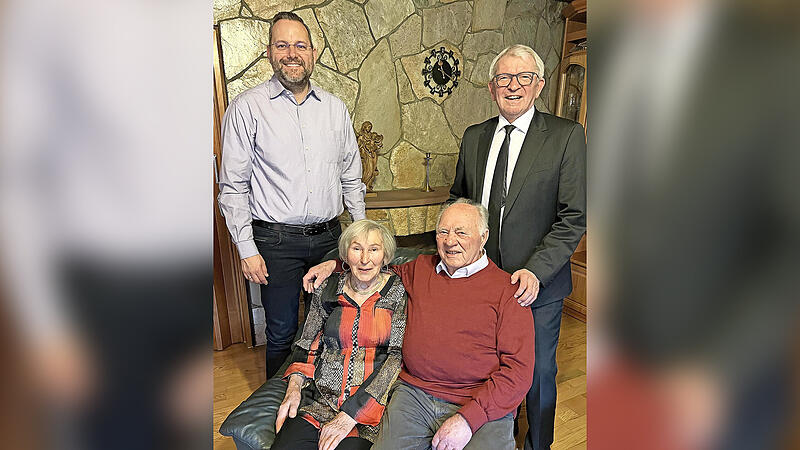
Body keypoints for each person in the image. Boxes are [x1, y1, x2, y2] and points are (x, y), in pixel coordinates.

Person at [304, 200, 535, 450]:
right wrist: (335, 264)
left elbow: (519, 372)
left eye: (461, 233)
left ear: (483, 237)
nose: (450, 241)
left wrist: (468, 420)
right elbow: (372, 267)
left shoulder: (510, 290)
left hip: (480, 401)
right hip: (414, 394)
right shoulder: (420, 268)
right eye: (443, 232)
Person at [449, 44, 586, 450]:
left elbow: (573, 216)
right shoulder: (474, 137)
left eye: (524, 77)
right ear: (492, 87)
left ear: (539, 85)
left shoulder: (565, 136)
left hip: (538, 285)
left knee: (538, 375)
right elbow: (459, 201)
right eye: (504, 78)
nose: (514, 86)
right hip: (482, 281)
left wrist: (536, 270)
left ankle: (538, 445)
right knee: (484, 368)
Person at [217, 11, 366, 378]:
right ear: (269, 52)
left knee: (333, 327)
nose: (292, 54)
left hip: (331, 239)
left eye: (300, 45)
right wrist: (247, 249)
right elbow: (233, 185)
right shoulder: (247, 108)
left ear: (313, 53)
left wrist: (360, 231)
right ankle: (276, 406)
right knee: (282, 332)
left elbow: (351, 175)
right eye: (282, 45)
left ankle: (323, 397)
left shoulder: (335, 109)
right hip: (275, 242)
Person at [272, 220, 406, 450]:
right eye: (357, 249)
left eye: (374, 249)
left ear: (385, 256)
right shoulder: (328, 288)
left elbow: (396, 357)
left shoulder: (398, 292)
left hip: (369, 410)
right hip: (319, 400)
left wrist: (351, 414)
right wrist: (294, 389)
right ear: (345, 254)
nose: (365, 259)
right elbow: (307, 342)